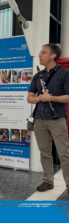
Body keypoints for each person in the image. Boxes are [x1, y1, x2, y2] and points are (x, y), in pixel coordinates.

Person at [27, 43, 69, 195]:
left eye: (43, 53)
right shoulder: (38, 76)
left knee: (64, 152)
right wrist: (40, 98)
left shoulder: (65, 73)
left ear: (53, 56)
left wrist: (51, 97)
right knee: (44, 152)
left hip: (57, 119)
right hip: (39, 119)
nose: (39, 55)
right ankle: (48, 180)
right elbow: (29, 98)